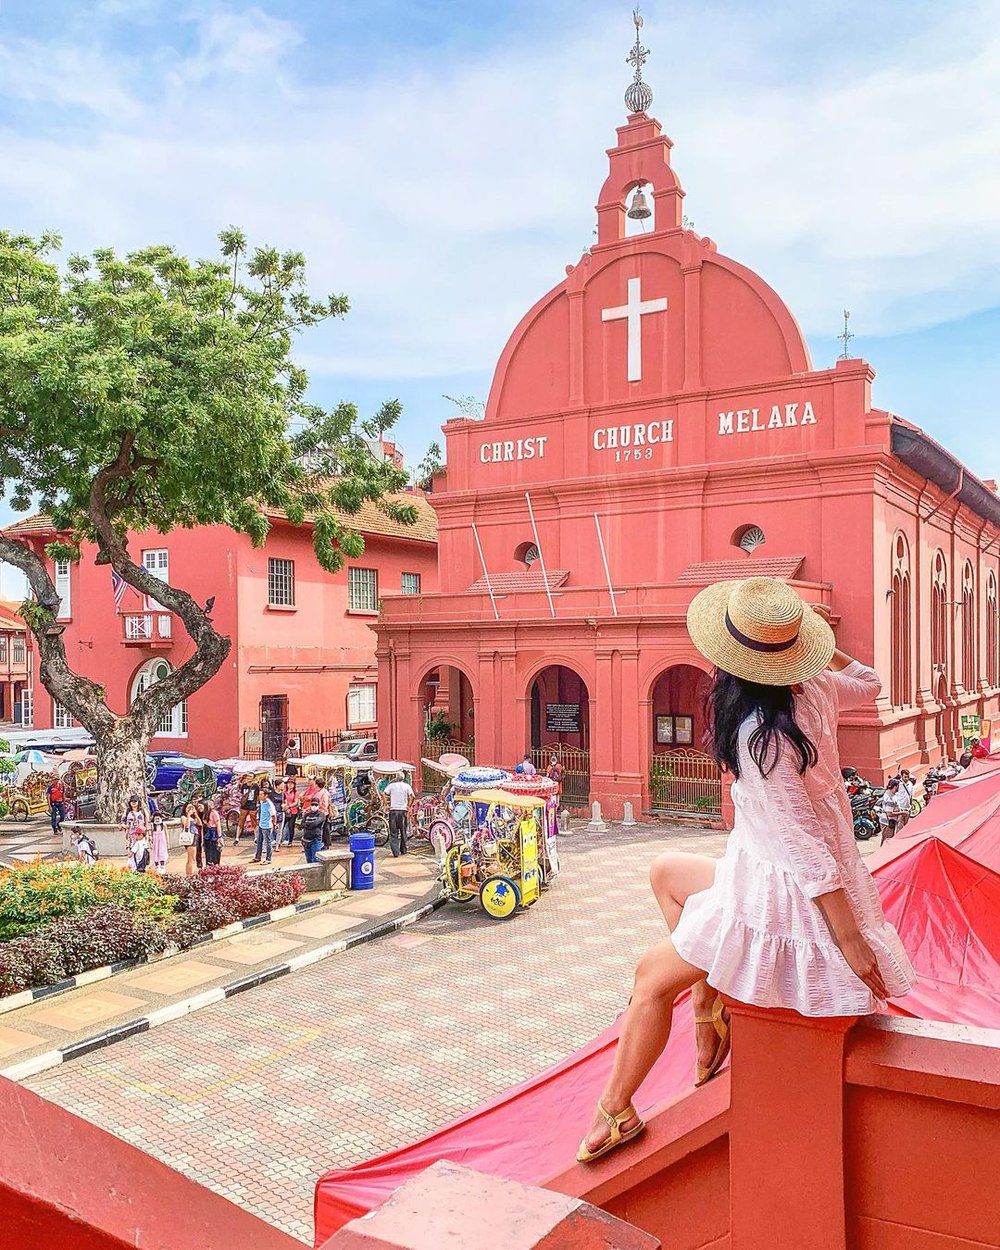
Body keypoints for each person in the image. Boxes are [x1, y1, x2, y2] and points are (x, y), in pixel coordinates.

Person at [577, 578, 914, 1163]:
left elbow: (803, 848)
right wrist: (808, 641)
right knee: (665, 870)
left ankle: (617, 1110)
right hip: (753, 868)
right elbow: (871, 680)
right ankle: (709, 1004)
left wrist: (853, 941)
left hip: (779, 894)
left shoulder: (763, 735)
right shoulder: (814, 687)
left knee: (650, 978)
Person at [386, 770, 416, 857]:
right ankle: (403, 850)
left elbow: (384, 793)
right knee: (403, 832)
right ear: (403, 778)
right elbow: (412, 796)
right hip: (403, 811)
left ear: (396, 778)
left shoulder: (391, 786)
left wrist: (385, 804)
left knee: (393, 832)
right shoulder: (407, 786)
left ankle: (395, 852)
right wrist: (409, 805)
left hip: (393, 811)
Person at [253, 787, 277, 864]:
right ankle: (257, 857)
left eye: (261, 794)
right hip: (261, 824)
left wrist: (274, 824)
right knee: (259, 841)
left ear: (266, 795)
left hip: (267, 826)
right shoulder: (261, 802)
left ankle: (268, 859)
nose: (260, 796)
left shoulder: (269, 804)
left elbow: (273, 815)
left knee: (268, 842)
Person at [236, 774, 260, 846]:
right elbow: (241, 794)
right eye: (248, 777)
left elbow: (258, 795)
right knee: (241, 821)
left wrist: (257, 803)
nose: (249, 778)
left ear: (253, 778)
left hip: (252, 805)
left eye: (251, 777)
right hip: (244, 806)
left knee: (254, 822)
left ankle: (256, 838)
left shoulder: (255, 786)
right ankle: (237, 838)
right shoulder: (244, 786)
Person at [300, 797, 326, 865]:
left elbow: (316, 823)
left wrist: (308, 824)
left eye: (316, 805)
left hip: (316, 839)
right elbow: (302, 824)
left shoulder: (321, 814)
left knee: (315, 859)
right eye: (313, 805)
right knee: (308, 859)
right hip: (306, 839)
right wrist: (310, 825)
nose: (314, 806)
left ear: (319, 805)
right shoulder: (306, 814)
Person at [180, 801, 200, 877]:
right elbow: (187, 826)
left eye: (191, 807)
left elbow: (200, 823)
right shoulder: (183, 817)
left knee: (193, 858)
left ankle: (191, 873)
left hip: (195, 836)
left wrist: (195, 814)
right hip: (189, 837)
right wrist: (188, 815)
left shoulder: (193, 817)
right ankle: (189, 875)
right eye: (188, 808)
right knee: (191, 859)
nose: (190, 809)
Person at [281, 778, 300, 846]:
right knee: (282, 825)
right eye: (289, 784)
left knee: (291, 826)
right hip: (285, 810)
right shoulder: (284, 792)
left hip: (293, 811)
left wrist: (289, 806)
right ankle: (280, 839)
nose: (290, 785)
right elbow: (282, 800)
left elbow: (296, 802)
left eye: (292, 784)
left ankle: (290, 841)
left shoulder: (295, 793)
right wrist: (285, 807)